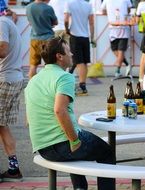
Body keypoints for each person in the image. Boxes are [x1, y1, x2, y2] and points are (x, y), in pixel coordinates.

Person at [25, 37, 115, 190]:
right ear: (59, 56)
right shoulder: (64, 77)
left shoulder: (34, 80)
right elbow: (60, 110)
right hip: (62, 145)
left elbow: (29, 118)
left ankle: (80, 188)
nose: (72, 54)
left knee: (75, 143)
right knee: (107, 152)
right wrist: (74, 141)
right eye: (68, 51)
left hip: (43, 148)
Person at [0, 9, 24, 181]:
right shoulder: (6, 22)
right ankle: (13, 169)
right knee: (2, 125)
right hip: (12, 78)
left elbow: (2, 49)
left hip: (5, 80)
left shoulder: (1, 23)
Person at [64, 0, 94, 96]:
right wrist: (92, 37)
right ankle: (83, 84)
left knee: (79, 61)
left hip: (75, 35)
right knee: (84, 62)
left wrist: (67, 29)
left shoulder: (70, 4)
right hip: (85, 36)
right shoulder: (88, 5)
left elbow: (66, 19)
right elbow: (91, 23)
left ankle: (82, 86)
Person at [26, 0, 58, 79]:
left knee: (33, 66)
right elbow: (55, 22)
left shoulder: (29, 7)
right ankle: (48, 86)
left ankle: (32, 87)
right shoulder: (48, 8)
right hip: (48, 39)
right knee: (50, 66)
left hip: (34, 39)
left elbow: (30, 22)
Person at [101, 0, 133, 77]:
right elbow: (103, 10)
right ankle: (127, 64)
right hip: (112, 28)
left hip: (124, 28)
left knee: (121, 50)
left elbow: (129, 10)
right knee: (114, 49)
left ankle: (117, 71)